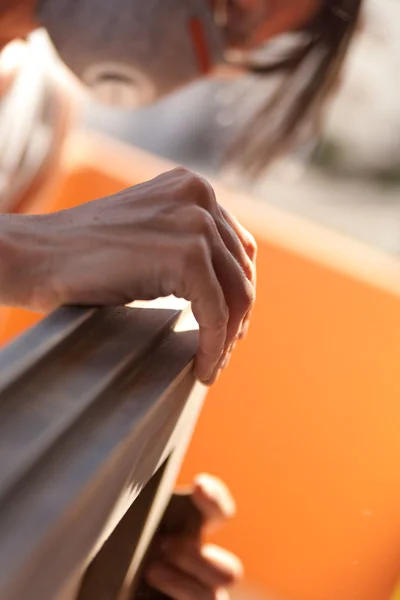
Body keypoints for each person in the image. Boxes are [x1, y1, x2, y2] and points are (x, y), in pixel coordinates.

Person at [0, 1, 363, 598]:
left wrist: (95, 534)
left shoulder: (41, 111)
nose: (205, 50)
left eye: (240, 41)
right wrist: (28, 254)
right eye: (232, 5)